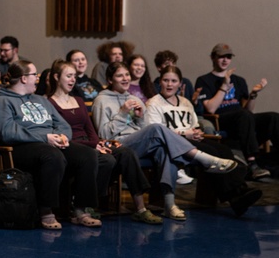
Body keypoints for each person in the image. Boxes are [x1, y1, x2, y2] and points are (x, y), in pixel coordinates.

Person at [93, 61, 239, 221]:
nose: (125, 78)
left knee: (165, 149)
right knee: (157, 128)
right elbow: (104, 133)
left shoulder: (134, 98)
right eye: (119, 75)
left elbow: (140, 128)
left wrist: (140, 118)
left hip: (138, 142)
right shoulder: (102, 100)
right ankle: (205, 159)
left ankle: (169, 205)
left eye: (127, 74)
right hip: (118, 145)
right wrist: (122, 113)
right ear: (110, 80)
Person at [0, 60, 101, 230]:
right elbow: (7, 132)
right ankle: (46, 211)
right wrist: (44, 137)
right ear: (24, 78)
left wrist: (61, 136)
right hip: (20, 147)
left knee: (87, 155)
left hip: (49, 143)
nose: (38, 78)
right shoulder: (2, 102)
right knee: (52, 156)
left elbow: (62, 124)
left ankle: (80, 210)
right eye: (35, 75)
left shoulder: (41, 100)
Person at [46, 60, 155, 225]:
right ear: (56, 77)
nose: (72, 80)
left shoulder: (78, 100)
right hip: (70, 145)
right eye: (68, 76)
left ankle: (140, 208)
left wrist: (98, 143)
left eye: (74, 76)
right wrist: (93, 145)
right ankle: (84, 207)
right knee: (107, 159)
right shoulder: (49, 102)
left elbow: (90, 129)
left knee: (125, 152)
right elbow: (61, 133)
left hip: (90, 143)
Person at [145, 66, 263, 216]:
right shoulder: (153, 103)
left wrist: (197, 132)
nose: (169, 84)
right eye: (165, 80)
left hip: (189, 141)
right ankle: (235, 196)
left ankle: (238, 193)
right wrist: (184, 134)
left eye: (173, 81)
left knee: (223, 149)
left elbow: (193, 125)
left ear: (180, 84)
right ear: (159, 82)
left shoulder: (185, 102)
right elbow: (155, 131)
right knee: (212, 152)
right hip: (170, 143)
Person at [195, 43, 279, 180]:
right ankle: (252, 163)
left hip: (242, 119)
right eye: (221, 56)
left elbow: (248, 110)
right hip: (220, 119)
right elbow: (210, 108)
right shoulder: (204, 80)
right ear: (213, 58)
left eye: (228, 57)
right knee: (243, 116)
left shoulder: (239, 80)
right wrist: (224, 85)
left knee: (273, 117)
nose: (225, 60)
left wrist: (253, 95)